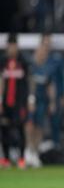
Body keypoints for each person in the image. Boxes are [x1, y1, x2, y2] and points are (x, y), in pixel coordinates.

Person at [25, 38, 57, 167]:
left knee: (39, 127)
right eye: (41, 52)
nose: (43, 55)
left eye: (45, 53)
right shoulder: (31, 66)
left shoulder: (48, 68)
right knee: (29, 125)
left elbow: (50, 85)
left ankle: (35, 153)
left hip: (43, 101)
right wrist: (30, 99)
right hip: (31, 100)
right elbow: (29, 84)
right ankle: (28, 150)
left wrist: (52, 102)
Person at [0, 34, 29, 169]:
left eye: (14, 46)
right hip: (5, 103)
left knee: (21, 129)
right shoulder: (2, 62)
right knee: (4, 129)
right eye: (10, 46)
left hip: (20, 103)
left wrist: (30, 99)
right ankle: (5, 159)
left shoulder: (23, 62)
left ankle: (22, 159)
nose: (12, 49)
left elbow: (29, 81)